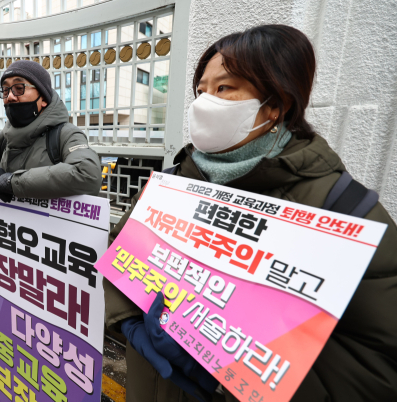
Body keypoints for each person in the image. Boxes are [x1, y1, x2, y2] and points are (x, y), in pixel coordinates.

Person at [104, 24, 397, 402]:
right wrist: (128, 320)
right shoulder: (172, 182)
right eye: (201, 90)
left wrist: (228, 376)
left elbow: (379, 367)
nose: (203, 103)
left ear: (276, 104)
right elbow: (120, 253)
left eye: (223, 88)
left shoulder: (346, 213)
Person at [0, 59, 101, 202]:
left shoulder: (66, 134)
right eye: (5, 90)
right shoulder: (4, 138)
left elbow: (88, 174)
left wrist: (13, 182)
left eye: (19, 88)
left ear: (43, 98)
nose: (10, 97)